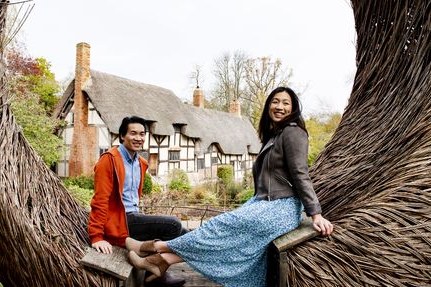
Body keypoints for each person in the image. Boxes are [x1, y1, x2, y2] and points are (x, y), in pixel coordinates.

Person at [125, 87, 334, 286]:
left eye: (285, 103)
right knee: (221, 232)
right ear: (268, 105)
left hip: (282, 207)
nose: (279, 106)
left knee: (219, 228)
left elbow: (300, 173)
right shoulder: (276, 134)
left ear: (293, 107)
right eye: (275, 101)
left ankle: (154, 248)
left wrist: (315, 213)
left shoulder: (294, 132)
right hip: (266, 203)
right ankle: (163, 261)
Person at [88, 116, 188, 287]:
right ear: (122, 136)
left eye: (142, 134)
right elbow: (100, 200)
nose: (138, 138)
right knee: (173, 225)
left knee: (186, 235)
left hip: (133, 216)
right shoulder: (109, 160)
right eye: (133, 133)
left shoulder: (141, 163)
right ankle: (155, 274)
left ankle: (155, 273)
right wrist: (96, 236)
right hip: (119, 221)